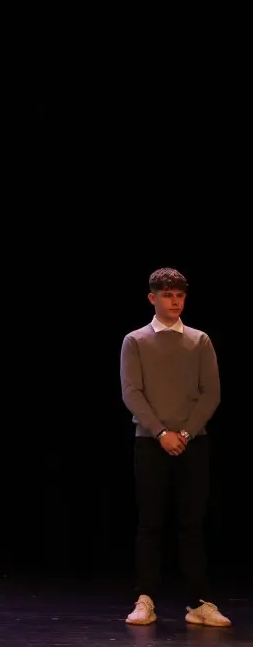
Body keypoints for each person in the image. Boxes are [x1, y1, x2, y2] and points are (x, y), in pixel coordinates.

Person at [121, 268, 228, 627]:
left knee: (191, 524)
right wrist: (161, 432)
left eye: (180, 295)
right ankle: (145, 599)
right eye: (168, 295)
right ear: (152, 298)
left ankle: (199, 602)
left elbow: (210, 393)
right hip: (150, 443)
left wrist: (184, 432)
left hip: (192, 443)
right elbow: (132, 392)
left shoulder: (200, 341)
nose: (175, 301)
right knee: (150, 523)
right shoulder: (135, 341)